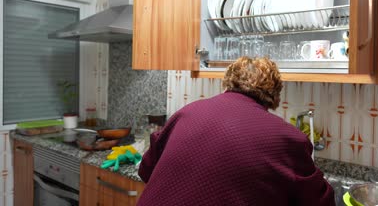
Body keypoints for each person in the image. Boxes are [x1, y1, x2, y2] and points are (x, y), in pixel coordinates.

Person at [137, 57, 335, 206]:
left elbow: (146, 169)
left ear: (227, 83)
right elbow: (320, 201)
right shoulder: (287, 138)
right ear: (275, 95)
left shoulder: (186, 113)